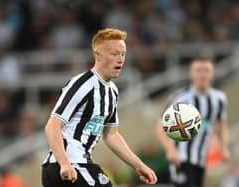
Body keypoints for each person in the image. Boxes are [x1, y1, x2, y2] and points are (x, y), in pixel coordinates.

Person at [41, 28, 157, 187]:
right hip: (69, 165)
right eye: (114, 54)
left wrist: (139, 165)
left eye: (123, 54)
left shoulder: (112, 91)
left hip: (74, 166)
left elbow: (111, 135)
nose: (120, 59)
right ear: (98, 55)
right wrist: (65, 163)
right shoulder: (82, 84)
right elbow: (52, 126)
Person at [156, 57, 230, 187]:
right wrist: (171, 150)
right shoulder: (180, 97)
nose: (202, 74)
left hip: (201, 158)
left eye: (206, 70)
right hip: (181, 157)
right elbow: (160, 126)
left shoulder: (219, 99)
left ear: (212, 74)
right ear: (191, 74)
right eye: (198, 70)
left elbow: (221, 124)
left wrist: (224, 148)